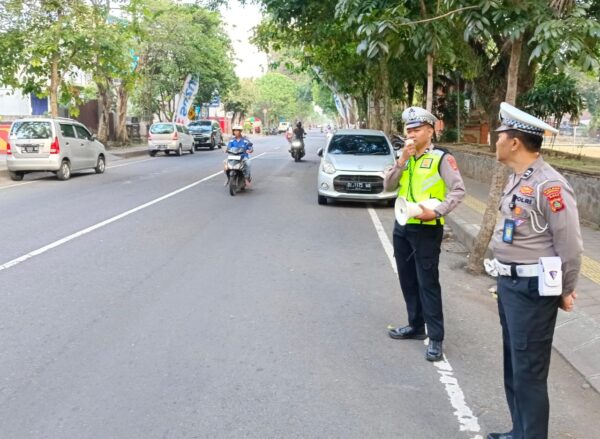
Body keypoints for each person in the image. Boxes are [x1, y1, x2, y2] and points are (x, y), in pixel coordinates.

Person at [485, 103, 583, 439]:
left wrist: (565, 290)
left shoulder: (549, 185)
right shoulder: (517, 178)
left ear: (514, 142)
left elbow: (570, 244)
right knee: (514, 366)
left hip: (531, 290)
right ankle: (519, 432)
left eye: (499, 135)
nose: (493, 139)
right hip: (510, 284)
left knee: (529, 372)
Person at [383, 106, 466, 361]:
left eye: (417, 130)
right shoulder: (404, 158)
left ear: (430, 131)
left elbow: (458, 190)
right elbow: (388, 185)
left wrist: (438, 212)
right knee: (407, 278)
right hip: (402, 225)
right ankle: (416, 325)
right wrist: (401, 162)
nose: (412, 135)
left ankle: (436, 337)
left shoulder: (442, 158)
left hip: (427, 228)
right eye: (409, 130)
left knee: (427, 282)